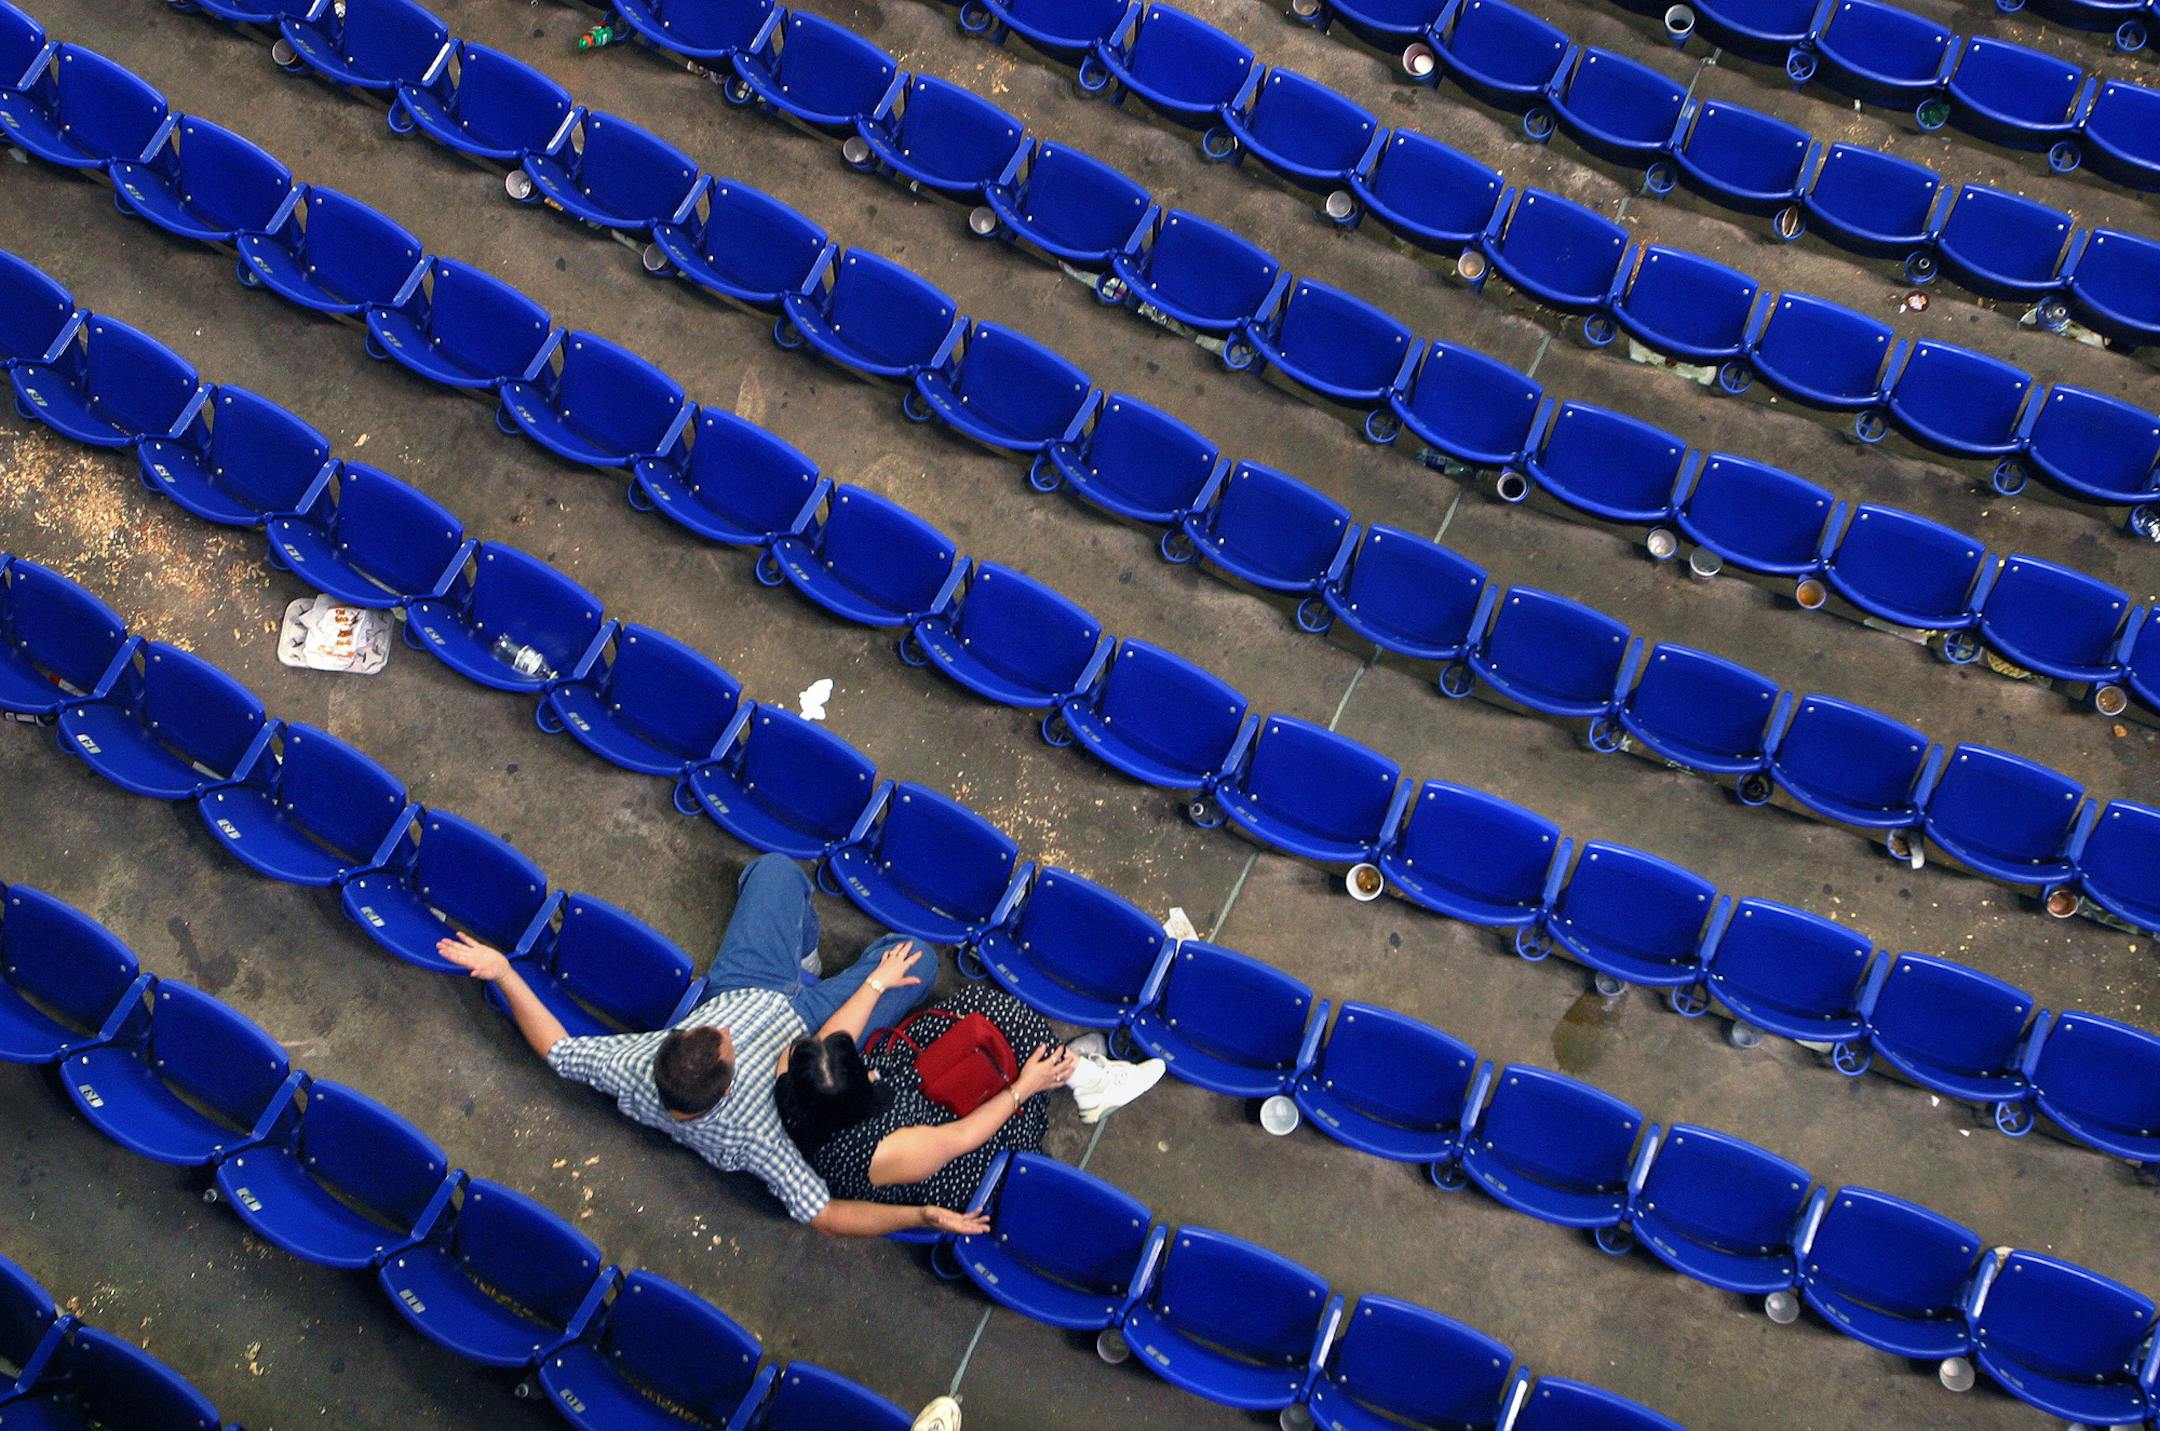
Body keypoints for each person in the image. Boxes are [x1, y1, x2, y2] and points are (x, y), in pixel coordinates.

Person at [436, 852, 986, 1238]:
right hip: (812, 1032)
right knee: (916, 958)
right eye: (725, 1041)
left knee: (773, 872)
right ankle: (825, 969)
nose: (720, 1028)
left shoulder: (633, 1064)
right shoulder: (758, 1137)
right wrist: (917, 1216)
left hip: (746, 984)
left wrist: (504, 973)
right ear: (730, 1080)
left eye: (705, 1027)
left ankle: (804, 959)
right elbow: (823, 1215)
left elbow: (556, 1049)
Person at [775, 982, 1164, 1213]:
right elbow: (962, 1138)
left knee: (985, 1010)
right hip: (953, 1153)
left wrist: (878, 980)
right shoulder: (882, 1152)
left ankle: (1073, 1067)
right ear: (862, 1086)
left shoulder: (793, 1077)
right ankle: (1084, 1079)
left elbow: (830, 1039)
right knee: (1021, 1057)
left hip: (907, 1091)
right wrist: (1023, 1087)